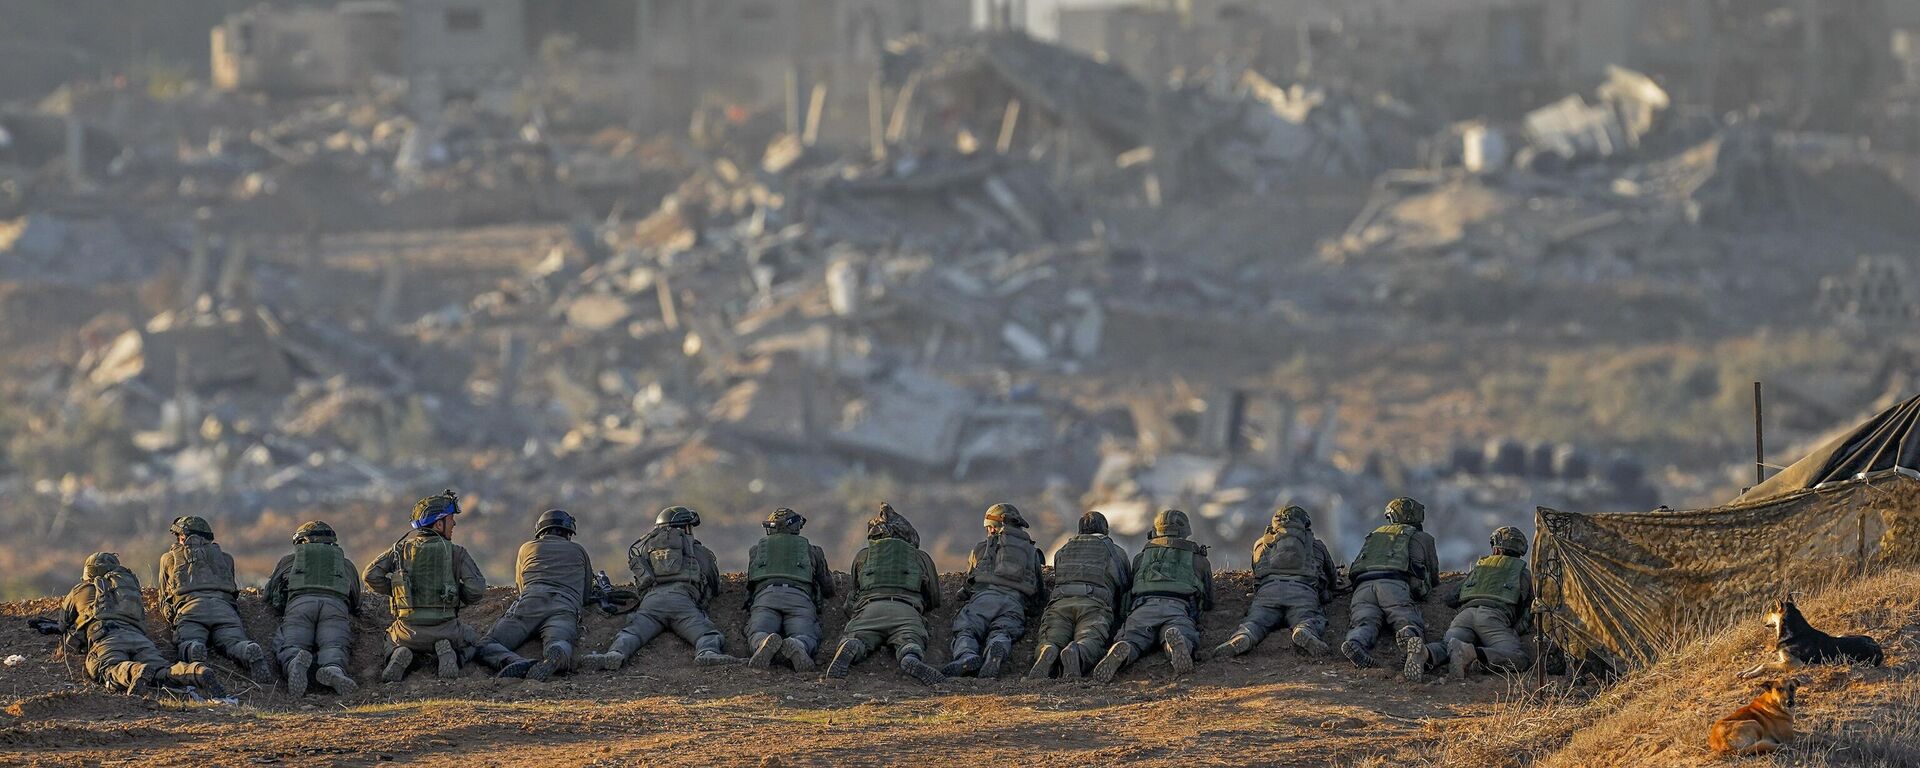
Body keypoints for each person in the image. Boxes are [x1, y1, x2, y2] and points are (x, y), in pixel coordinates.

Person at [580, 506, 742, 670]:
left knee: (631, 633)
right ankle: (708, 653)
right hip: (682, 603)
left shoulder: (647, 550)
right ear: (686, 528)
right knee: (707, 634)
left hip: (651, 603)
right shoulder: (698, 551)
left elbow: (641, 585)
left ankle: (615, 654)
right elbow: (713, 583)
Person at [363, 490, 489, 683]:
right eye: (450, 519)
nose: (454, 524)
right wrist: (457, 595)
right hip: (447, 630)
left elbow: (370, 575)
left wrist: (398, 592)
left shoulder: (400, 550)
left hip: (407, 632)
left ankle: (402, 654)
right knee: (471, 639)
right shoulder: (456, 552)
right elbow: (477, 589)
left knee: (390, 639)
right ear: (439, 524)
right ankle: (451, 656)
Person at [58, 552, 222, 696]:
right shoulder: (128, 589)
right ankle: (196, 671)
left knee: (107, 668)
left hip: (107, 640)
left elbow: (62, 623)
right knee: (161, 671)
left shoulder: (80, 590)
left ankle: (136, 670)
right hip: (139, 639)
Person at [823, 503, 945, 686]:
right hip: (906, 611)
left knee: (858, 637)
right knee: (911, 639)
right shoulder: (920, 557)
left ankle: (852, 645)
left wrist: (854, 612)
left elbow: (854, 594)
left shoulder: (863, 556)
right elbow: (935, 598)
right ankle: (909, 656)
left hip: (870, 610)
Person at [474, 509, 598, 681]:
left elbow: (520, 587)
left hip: (531, 602)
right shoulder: (579, 551)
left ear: (540, 531)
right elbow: (585, 595)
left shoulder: (527, 548)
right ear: (569, 533)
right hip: (565, 606)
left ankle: (514, 662)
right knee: (560, 641)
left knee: (486, 645)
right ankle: (556, 656)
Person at [1091, 509, 1214, 683]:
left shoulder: (1141, 557)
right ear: (1185, 531)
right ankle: (1175, 645)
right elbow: (1208, 598)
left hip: (1144, 606)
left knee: (1134, 637)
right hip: (1178, 607)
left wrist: (1125, 615)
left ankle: (1125, 648)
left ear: (1156, 531)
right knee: (1182, 632)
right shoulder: (1198, 559)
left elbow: (1129, 591)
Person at [157, 515, 274, 683]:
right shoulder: (226, 558)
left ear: (183, 537)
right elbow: (233, 593)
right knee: (233, 642)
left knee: (188, 640)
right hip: (224, 609)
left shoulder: (169, 558)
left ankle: (194, 649)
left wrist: (172, 618)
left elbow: (164, 599)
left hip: (191, 610)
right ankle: (247, 649)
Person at [1211, 505, 1338, 660]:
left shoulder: (1260, 544)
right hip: (1303, 592)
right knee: (1308, 618)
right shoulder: (1316, 545)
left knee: (1255, 622)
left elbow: (1257, 573)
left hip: (1268, 593)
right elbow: (1333, 578)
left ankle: (1244, 635)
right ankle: (1304, 630)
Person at [1341, 496, 1440, 681]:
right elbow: (1434, 574)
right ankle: (1408, 637)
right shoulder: (1422, 537)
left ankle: (1355, 642)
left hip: (1363, 586)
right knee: (1404, 616)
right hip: (1393, 584)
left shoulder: (1375, 534)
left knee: (1364, 621)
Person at [944, 503, 1048, 678]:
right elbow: (1038, 591)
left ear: (992, 528)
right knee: (1002, 631)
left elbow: (969, 584)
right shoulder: (1032, 552)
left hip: (983, 600)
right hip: (1014, 605)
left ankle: (966, 655)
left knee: (966, 629)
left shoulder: (981, 549)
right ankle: (996, 647)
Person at [1027, 510, 1130, 679]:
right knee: (1090, 637)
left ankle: (1049, 650)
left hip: (1060, 603)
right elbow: (1123, 584)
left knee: (1052, 634)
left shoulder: (1063, 550)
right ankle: (1077, 652)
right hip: (1094, 604)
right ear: (1105, 530)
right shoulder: (1115, 552)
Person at [265, 521, 361, 696]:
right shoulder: (345, 564)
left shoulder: (289, 561)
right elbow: (356, 599)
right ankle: (333, 669)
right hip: (335, 607)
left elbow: (270, 594)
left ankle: (294, 662)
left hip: (300, 605)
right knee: (335, 645)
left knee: (291, 643)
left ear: (301, 541)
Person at [1426, 526, 1534, 679]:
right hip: (1493, 618)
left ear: (1496, 549)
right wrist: (1517, 629)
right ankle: (1472, 654)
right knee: (1519, 658)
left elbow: (1452, 598)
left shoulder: (1480, 566)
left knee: (1448, 646)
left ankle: (1426, 654)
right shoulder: (1523, 573)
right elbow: (1530, 609)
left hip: (1465, 615)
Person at [744, 508, 836, 672]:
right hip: (799, 600)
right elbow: (828, 587)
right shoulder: (812, 550)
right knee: (807, 635)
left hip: (766, 597)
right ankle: (797, 643)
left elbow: (750, 582)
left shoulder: (756, 550)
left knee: (757, 631)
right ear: (796, 528)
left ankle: (763, 642)